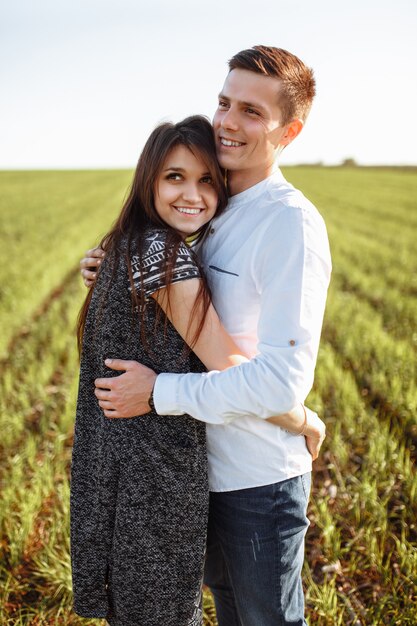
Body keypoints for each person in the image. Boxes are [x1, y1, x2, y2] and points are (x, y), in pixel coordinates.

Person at [81, 46, 331, 625]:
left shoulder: (288, 223)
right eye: (224, 102)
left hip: (257, 482)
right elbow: (169, 289)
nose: (227, 122)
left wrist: (160, 393)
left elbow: (280, 380)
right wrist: (112, 266)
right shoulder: (212, 212)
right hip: (198, 474)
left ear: (288, 132)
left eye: (251, 111)